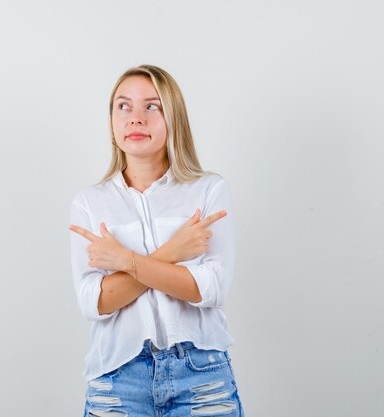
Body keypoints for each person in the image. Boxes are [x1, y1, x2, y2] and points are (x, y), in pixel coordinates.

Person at [68, 65, 245, 417]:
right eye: (124, 106)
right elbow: (96, 302)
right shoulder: (89, 203)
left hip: (201, 377)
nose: (135, 118)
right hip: (117, 380)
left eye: (151, 106)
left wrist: (125, 261)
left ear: (173, 117)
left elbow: (207, 289)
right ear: (112, 121)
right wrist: (173, 253)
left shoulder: (208, 190)